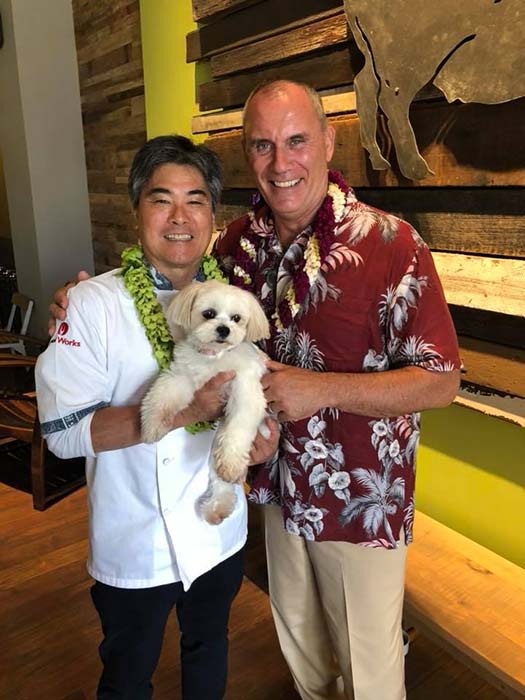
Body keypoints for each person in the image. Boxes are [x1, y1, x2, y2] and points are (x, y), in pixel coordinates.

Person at [49, 81, 461, 700]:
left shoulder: (391, 243)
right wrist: (79, 301)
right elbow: (173, 279)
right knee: (302, 655)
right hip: (268, 490)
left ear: (328, 141)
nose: (281, 161)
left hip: (354, 500)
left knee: (370, 670)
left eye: (296, 140)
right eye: (262, 145)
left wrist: (320, 390)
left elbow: (442, 381)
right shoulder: (238, 243)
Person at [36, 135, 279, 700]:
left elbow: (255, 397)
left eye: (195, 200)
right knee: (127, 677)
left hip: (218, 534)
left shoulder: (233, 302)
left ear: (213, 217)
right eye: (160, 198)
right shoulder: (91, 305)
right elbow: (62, 436)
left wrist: (258, 442)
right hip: (135, 539)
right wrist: (182, 413)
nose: (179, 217)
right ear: (137, 209)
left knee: (209, 650)